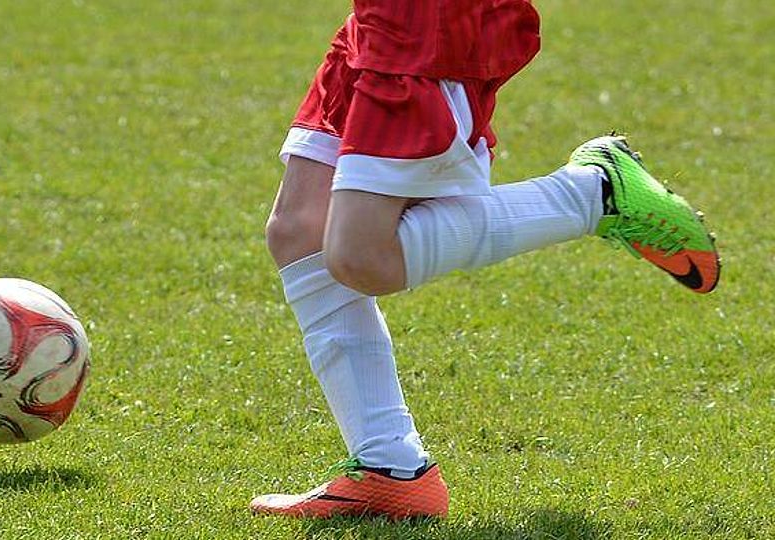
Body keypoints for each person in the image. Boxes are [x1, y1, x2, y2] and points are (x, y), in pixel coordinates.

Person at [250, 0, 719, 520]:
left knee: (362, 257)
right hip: (378, 22)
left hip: (424, 24)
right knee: (302, 231)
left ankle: (593, 193)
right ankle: (389, 466)